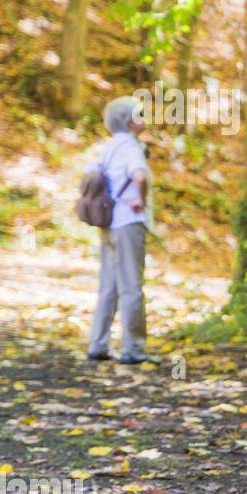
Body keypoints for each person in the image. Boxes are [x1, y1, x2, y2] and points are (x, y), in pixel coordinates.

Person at [86, 97, 155, 364]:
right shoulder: (130, 147)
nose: (144, 118)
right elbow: (139, 175)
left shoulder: (107, 148)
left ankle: (98, 344)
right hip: (128, 221)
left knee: (108, 286)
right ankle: (134, 347)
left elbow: (89, 176)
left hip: (107, 223)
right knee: (132, 287)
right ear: (130, 122)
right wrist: (142, 200)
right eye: (140, 114)